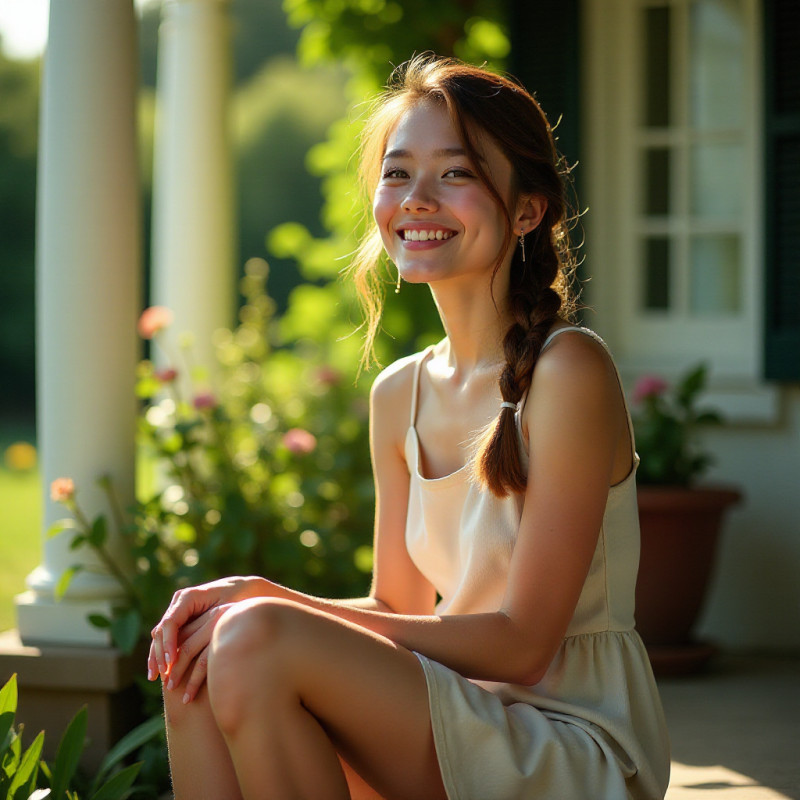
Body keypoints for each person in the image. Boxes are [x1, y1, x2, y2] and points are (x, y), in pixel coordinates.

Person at [148, 54, 671, 799]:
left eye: (455, 173)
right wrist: (239, 608)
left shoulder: (567, 372)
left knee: (253, 635)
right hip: (458, 711)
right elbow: (394, 605)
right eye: (397, 174)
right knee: (199, 658)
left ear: (528, 210)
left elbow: (524, 646)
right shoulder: (400, 393)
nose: (417, 199)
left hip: (570, 744)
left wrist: (271, 602)